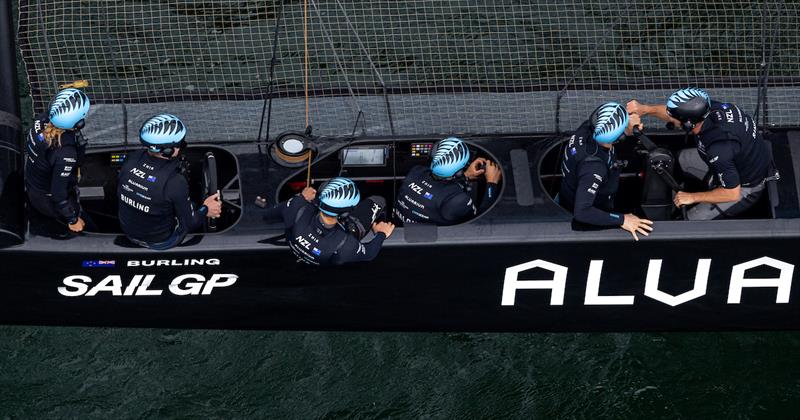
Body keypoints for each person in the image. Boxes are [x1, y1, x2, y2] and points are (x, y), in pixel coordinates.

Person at [627, 88, 772, 220]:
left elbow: (732, 193)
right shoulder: (710, 108)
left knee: (688, 222)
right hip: (728, 163)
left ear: (689, 124)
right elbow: (672, 114)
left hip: (742, 187)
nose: (670, 117)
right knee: (678, 159)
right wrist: (645, 109)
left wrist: (691, 197)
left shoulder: (719, 148)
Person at [118, 114, 221, 250]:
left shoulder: (131, 160)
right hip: (160, 241)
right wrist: (206, 209)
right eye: (181, 144)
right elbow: (189, 224)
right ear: (168, 150)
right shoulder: (175, 182)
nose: (182, 147)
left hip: (129, 231)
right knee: (195, 207)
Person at [559, 102, 654, 241]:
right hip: (590, 212)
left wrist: (627, 128)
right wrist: (622, 219)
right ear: (618, 137)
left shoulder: (587, 128)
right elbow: (582, 212)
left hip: (570, 189)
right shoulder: (593, 168)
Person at [264, 177, 394, 266]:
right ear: (345, 213)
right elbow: (369, 253)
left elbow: (268, 216)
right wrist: (381, 233)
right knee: (379, 200)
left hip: (304, 250)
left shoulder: (297, 206)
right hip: (348, 233)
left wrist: (302, 196)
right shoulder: (346, 245)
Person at [25, 88, 93, 235]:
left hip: (33, 186)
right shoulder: (65, 153)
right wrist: (72, 219)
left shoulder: (40, 120)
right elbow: (58, 193)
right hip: (48, 202)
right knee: (91, 229)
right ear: (79, 123)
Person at [394, 137, 501, 225]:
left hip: (401, 226)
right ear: (458, 172)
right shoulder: (458, 200)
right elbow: (480, 221)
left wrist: (466, 176)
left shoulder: (415, 171)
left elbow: (438, 187)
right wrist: (492, 183)